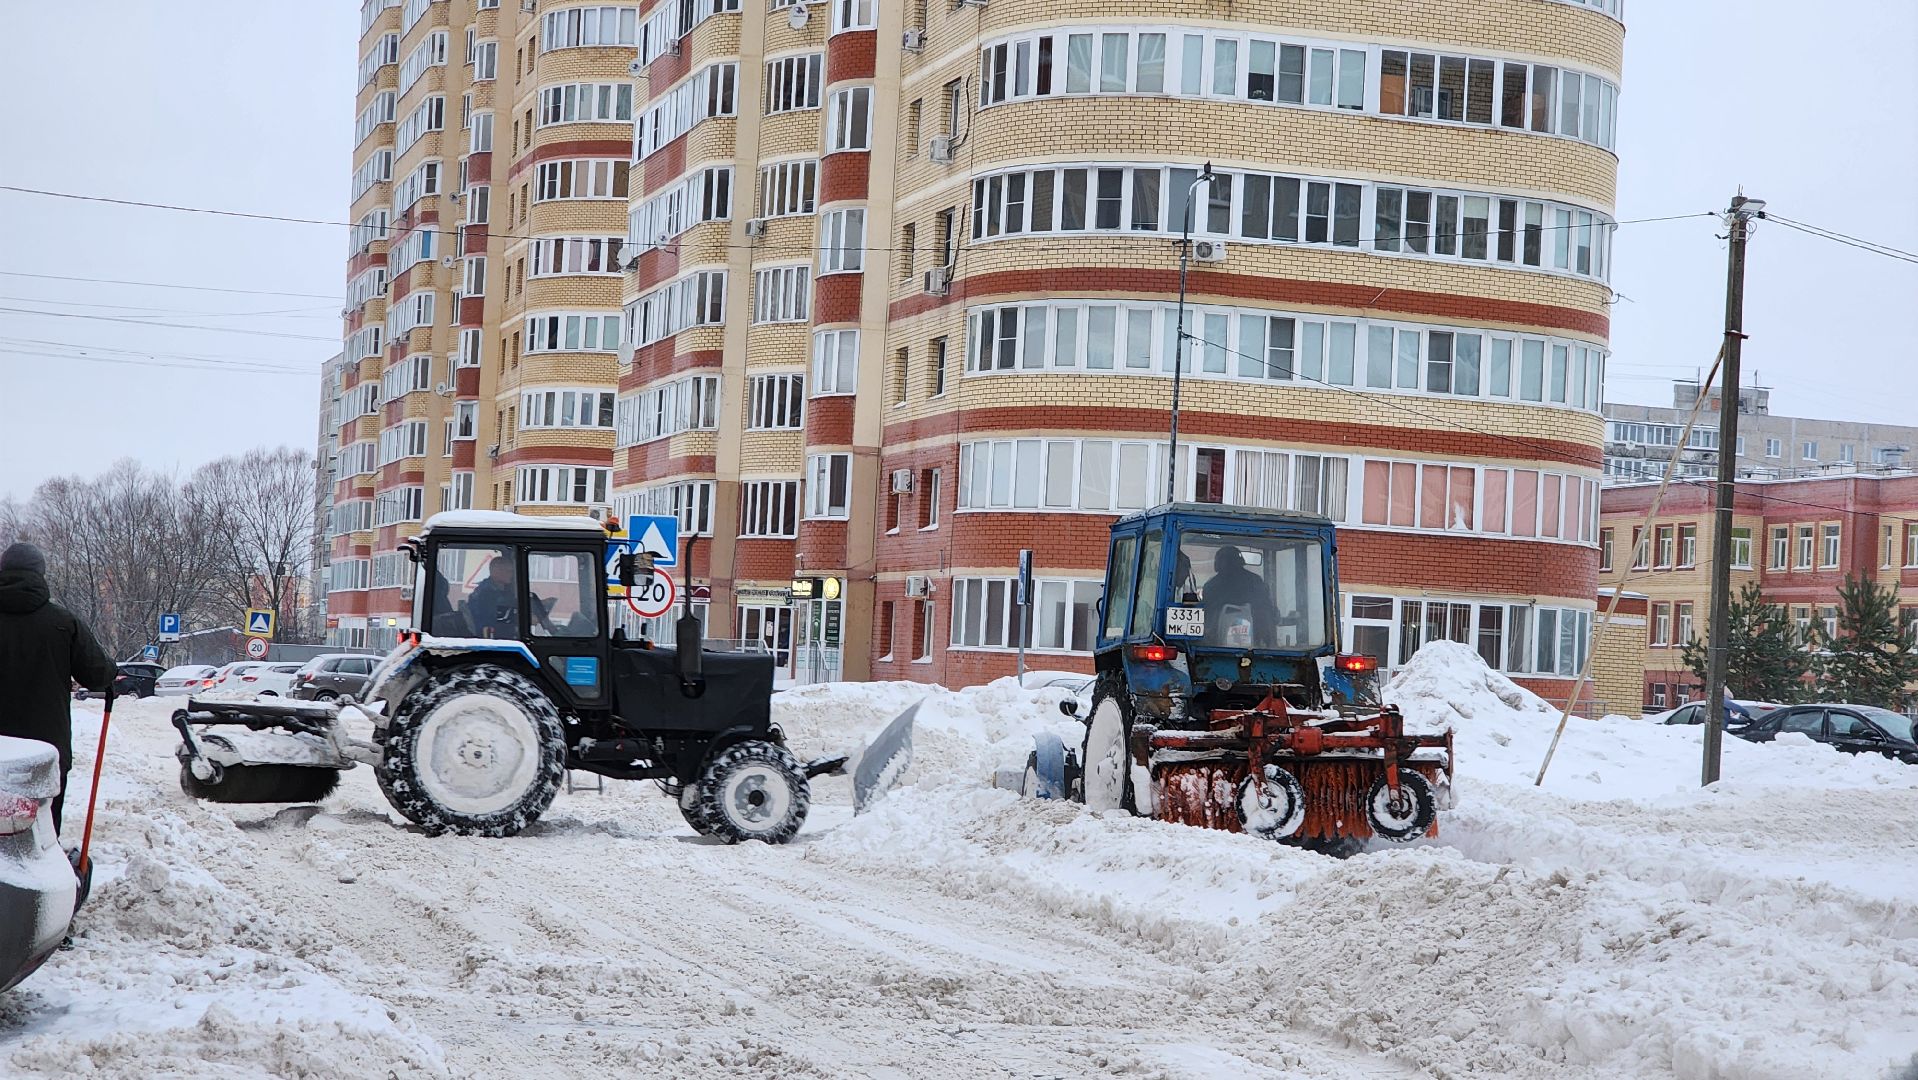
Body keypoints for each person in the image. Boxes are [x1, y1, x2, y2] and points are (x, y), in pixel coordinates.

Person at [0, 542, 115, 834]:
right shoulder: (63, 623)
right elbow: (97, 675)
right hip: (46, 747)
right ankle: (43, 872)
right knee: (43, 828)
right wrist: (114, 670)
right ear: (41, 573)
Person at [1201, 545, 1277, 648]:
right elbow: (1267, 608)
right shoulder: (1255, 581)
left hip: (1215, 645)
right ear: (1240, 561)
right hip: (1258, 645)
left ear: (1217, 564)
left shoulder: (1211, 585)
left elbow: (1206, 614)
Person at [463, 554, 519, 638]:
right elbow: (496, 617)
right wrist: (524, 618)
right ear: (496, 571)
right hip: (492, 637)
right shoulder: (486, 593)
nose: (511, 574)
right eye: (508, 571)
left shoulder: (502, 590)